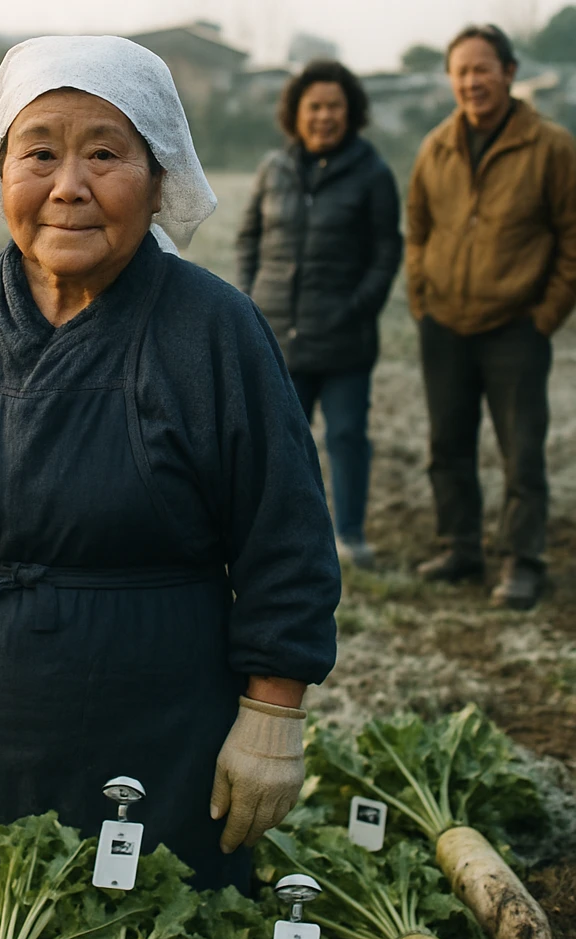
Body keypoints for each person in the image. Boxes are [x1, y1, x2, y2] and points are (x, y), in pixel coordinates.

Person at [0, 36, 340, 891]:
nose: (69, 186)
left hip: (156, 733)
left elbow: (287, 538)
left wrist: (272, 715)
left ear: (159, 175)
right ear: (0, 170)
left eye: (104, 153)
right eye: (40, 153)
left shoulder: (214, 332)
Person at [408, 23, 576, 609]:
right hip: (445, 324)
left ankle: (523, 561)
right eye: (462, 72)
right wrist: (422, 300)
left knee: (521, 451)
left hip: (516, 328)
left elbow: (572, 236)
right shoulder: (436, 146)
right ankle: (460, 546)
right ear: (450, 79)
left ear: (509, 72)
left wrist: (546, 314)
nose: (472, 82)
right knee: (447, 446)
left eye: (483, 69)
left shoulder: (552, 147)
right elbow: (419, 230)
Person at [236, 60, 401, 570]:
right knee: (281, 444)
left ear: (350, 113)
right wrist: (251, 301)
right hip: (280, 336)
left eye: (334, 107)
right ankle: (283, 539)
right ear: (295, 113)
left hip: (345, 340)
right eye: (314, 107)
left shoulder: (372, 172)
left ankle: (349, 534)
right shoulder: (273, 169)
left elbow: (386, 252)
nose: (324, 116)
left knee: (347, 437)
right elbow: (249, 239)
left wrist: (356, 309)